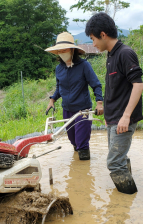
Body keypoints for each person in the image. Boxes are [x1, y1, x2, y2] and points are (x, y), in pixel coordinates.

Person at [85, 13, 143, 194]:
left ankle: (129, 196)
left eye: (93, 39)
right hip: (113, 118)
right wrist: (108, 117)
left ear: (103, 35)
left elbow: (138, 85)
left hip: (122, 119)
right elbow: (114, 89)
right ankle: (129, 201)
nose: (93, 44)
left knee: (114, 163)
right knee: (119, 159)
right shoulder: (111, 55)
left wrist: (126, 117)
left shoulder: (125, 53)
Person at [45, 32, 104, 160]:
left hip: (82, 110)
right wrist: (52, 99)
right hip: (67, 110)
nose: (62, 52)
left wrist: (99, 102)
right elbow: (59, 88)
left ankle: (84, 172)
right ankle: (77, 171)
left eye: (64, 49)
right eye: (59, 50)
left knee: (81, 142)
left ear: (72, 50)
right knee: (73, 141)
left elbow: (96, 84)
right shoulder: (59, 69)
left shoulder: (84, 66)